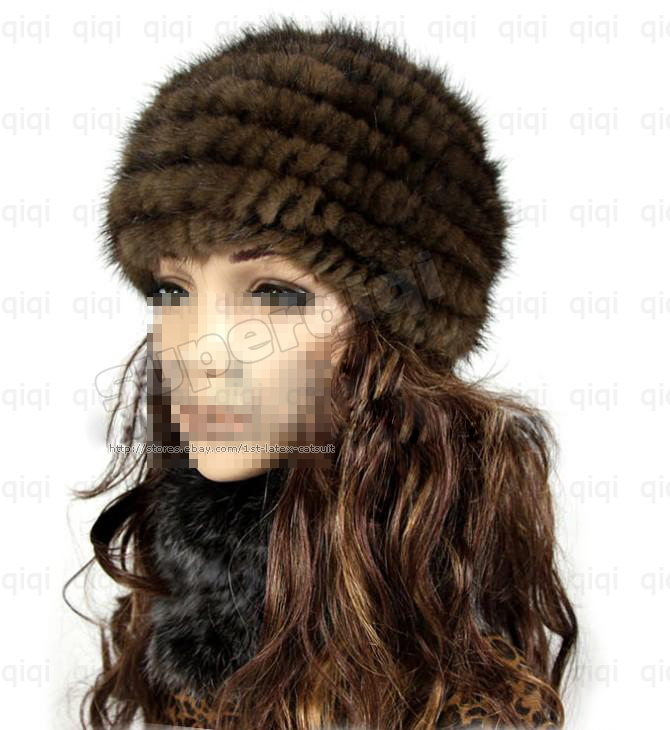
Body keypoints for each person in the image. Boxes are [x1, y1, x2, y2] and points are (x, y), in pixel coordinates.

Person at [65, 15, 578, 730]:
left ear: (397, 335)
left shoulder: (454, 696)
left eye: (275, 295)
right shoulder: (178, 611)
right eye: (173, 291)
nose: (198, 351)